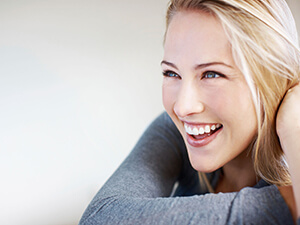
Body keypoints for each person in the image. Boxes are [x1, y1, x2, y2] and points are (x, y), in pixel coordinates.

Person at [79, 0, 300, 224]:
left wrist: (295, 127)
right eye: (171, 73)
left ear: (273, 80)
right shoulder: (179, 131)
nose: (182, 107)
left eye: (211, 74)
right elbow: (100, 217)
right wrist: (287, 202)